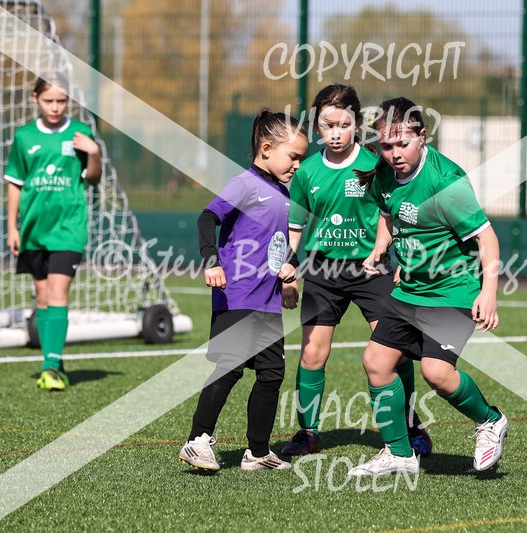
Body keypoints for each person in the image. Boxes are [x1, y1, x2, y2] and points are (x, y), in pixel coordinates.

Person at [346, 97, 508, 477]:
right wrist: (380, 249)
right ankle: (399, 453)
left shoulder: (445, 183)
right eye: (386, 146)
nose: (394, 153)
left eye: (403, 144)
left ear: (423, 136)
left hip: (454, 290)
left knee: (437, 374)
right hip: (410, 290)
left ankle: (490, 421)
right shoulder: (384, 173)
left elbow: (487, 239)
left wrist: (488, 293)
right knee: (376, 363)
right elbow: (389, 214)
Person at [280, 84, 432, 457]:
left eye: (344, 125)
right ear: (317, 127)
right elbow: (295, 229)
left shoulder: (373, 165)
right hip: (321, 273)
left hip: (371, 270)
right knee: (312, 354)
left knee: (392, 350)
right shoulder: (306, 172)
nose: (336, 133)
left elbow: (390, 214)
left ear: (357, 124)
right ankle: (308, 432)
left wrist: (396, 258)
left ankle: (410, 426)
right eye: (328, 125)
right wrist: (288, 270)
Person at [178, 109, 308, 472]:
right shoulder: (245, 184)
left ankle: (258, 452)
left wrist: (289, 273)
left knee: (271, 374)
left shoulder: (283, 194)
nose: (297, 164)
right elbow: (207, 218)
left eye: (301, 158)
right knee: (230, 367)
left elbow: (279, 244)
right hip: (236, 295)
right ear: (266, 149)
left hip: (267, 303)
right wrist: (212, 261)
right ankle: (197, 440)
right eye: (293, 156)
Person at [4, 72, 102, 391]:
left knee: (59, 292)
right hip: (33, 230)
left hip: (69, 229)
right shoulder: (24, 137)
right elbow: (15, 185)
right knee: (43, 295)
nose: (56, 107)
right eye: (49, 100)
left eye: (61, 101)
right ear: (36, 99)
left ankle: (51, 366)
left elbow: (94, 179)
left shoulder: (81, 133)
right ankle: (53, 360)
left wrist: (94, 153)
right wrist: (12, 227)